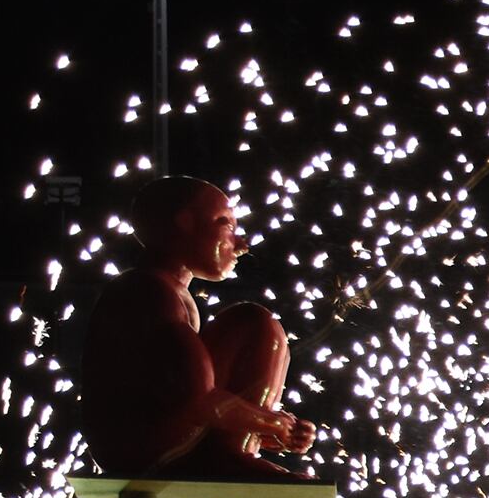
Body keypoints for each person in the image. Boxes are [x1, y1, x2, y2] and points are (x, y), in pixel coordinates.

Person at [80, 174, 318, 481]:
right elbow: (197, 401)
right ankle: (231, 457)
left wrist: (267, 429)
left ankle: (234, 451)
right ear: (185, 223)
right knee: (254, 323)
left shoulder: (166, 291)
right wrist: (272, 423)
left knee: (251, 325)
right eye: (226, 225)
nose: (241, 245)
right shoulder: (149, 291)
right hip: (140, 449)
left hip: (152, 439)